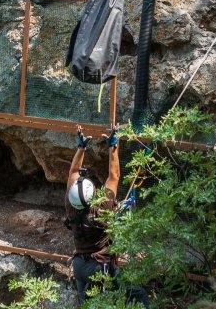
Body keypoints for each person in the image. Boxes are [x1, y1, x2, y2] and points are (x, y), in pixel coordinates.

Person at [66, 124, 151, 307]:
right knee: (136, 293)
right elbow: (114, 176)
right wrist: (113, 145)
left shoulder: (71, 206)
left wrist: (81, 149)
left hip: (79, 266)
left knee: (87, 304)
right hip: (100, 266)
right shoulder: (101, 208)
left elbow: (73, 173)